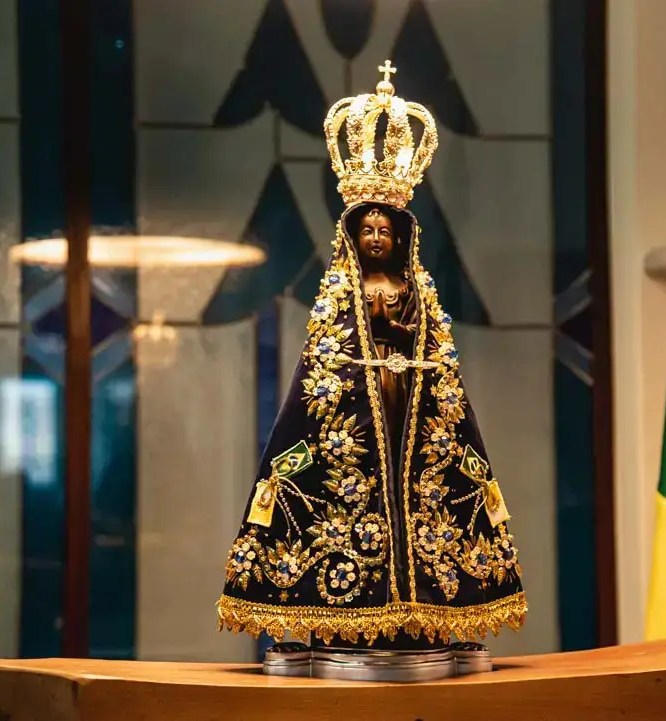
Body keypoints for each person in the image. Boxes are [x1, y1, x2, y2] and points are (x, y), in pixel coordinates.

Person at [217, 62, 525, 656]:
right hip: (356, 409)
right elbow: (324, 364)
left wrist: (407, 348)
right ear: (353, 236)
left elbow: (434, 357)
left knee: (419, 490)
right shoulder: (344, 294)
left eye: (387, 229)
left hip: (410, 404)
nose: (378, 237)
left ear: (401, 235)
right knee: (350, 486)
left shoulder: (414, 289)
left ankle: (427, 609)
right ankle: (343, 613)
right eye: (369, 229)